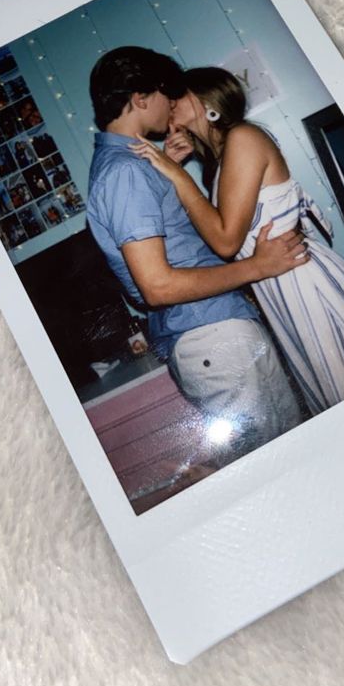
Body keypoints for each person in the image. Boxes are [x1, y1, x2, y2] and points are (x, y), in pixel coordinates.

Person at [131, 66, 344, 417]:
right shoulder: (220, 162)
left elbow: (225, 241)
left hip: (304, 281)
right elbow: (217, 241)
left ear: (206, 98)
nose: (171, 101)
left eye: (178, 93)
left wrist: (177, 175)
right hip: (279, 289)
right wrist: (176, 164)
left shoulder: (244, 137)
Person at [86, 47, 306, 458]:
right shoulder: (125, 173)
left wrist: (168, 168)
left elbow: (168, 253)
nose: (172, 103)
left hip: (215, 332)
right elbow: (156, 286)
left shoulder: (131, 166)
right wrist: (257, 267)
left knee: (287, 450)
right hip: (213, 337)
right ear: (139, 97)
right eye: (166, 93)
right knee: (275, 465)